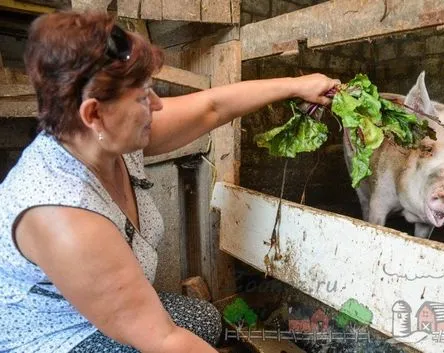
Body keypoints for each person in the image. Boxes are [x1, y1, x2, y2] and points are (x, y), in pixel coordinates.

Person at [0, 10, 339, 353]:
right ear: (93, 114)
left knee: (203, 320)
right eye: (143, 95)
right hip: (56, 334)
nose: (158, 104)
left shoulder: (105, 138)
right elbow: (164, 340)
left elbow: (212, 107)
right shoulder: (63, 214)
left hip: (89, 305)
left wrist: (298, 85)